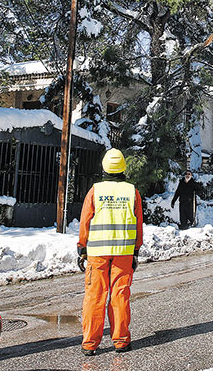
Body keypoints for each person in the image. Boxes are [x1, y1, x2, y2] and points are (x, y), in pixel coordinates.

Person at [76, 148, 144, 356]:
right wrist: (136, 250)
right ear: (123, 167)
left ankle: (90, 343)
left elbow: (85, 220)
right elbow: (138, 224)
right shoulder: (132, 192)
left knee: (95, 296)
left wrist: (81, 247)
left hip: (97, 253)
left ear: (104, 167)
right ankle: (121, 341)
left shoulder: (95, 191)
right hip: (123, 253)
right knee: (120, 295)